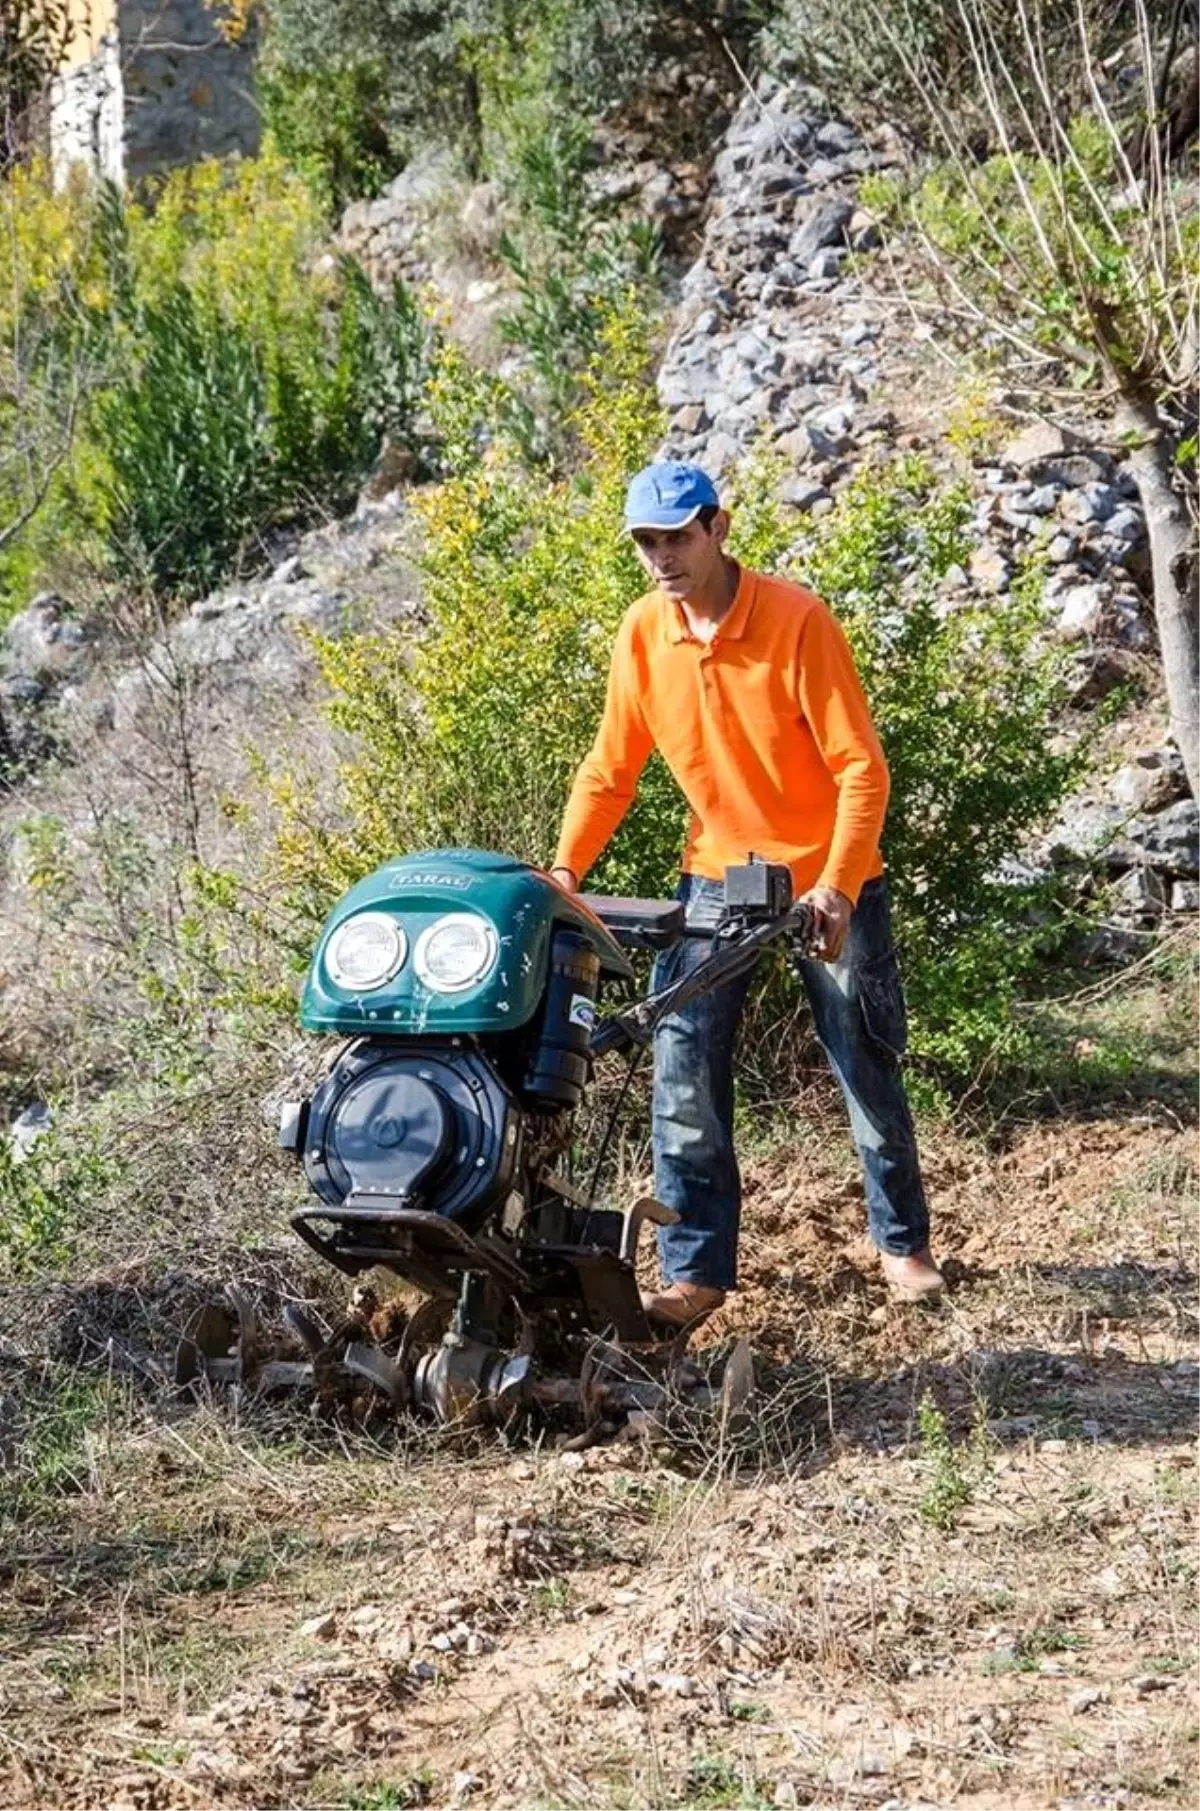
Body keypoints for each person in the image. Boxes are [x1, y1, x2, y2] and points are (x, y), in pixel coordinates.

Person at [549, 459, 943, 1331]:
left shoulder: (797, 620)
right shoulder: (644, 635)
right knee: (681, 1064)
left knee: (863, 1057)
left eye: (677, 536)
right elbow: (611, 770)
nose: (662, 556)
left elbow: (860, 770)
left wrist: (838, 888)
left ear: (718, 529)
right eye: (646, 541)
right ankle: (695, 1276)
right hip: (719, 877)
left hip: (826, 878)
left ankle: (902, 1241)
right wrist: (566, 871)